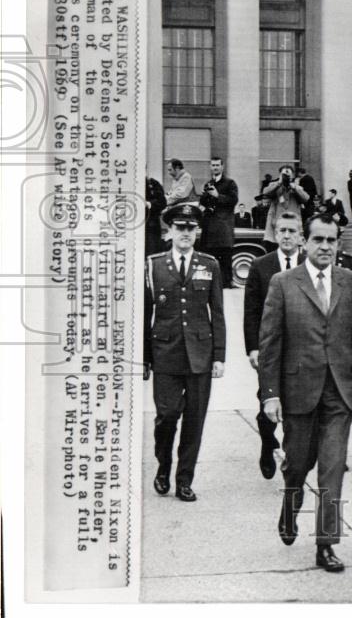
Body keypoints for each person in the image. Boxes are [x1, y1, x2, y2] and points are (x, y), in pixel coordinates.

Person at [258, 213, 352, 573]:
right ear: (305, 242)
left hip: (340, 392)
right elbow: (270, 342)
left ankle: (326, 544)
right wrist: (270, 394)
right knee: (297, 464)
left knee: (332, 469)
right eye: (318, 240)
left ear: (339, 244)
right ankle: (291, 503)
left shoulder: (351, 281)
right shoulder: (282, 282)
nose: (325, 247)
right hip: (298, 391)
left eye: (331, 240)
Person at [143, 203, 226, 503]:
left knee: (194, 420)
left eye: (191, 229)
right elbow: (145, 314)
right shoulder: (153, 265)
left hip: (200, 355)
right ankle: (163, 465)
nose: (186, 234)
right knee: (166, 416)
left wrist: (219, 356)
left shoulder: (210, 265)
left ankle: (184, 479)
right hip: (165, 353)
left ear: (198, 232)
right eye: (180, 228)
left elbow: (217, 312)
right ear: (169, 231)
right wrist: (144, 359)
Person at [243, 212, 305, 479]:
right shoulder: (261, 265)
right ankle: (268, 443)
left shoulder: (309, 264)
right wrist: (253, 348)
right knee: (266, 401)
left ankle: (292, 457)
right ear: (275, 234)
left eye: (292, 231)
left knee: (297, 406)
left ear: (301, 235)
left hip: (302, 348)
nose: (287, 236)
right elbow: (252, 310)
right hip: (270, 347)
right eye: (282, 231)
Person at [198, 156, 239, 288]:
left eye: (217, 165)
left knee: (225, 256)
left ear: (222, 167)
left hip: (223, 226)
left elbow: (233, 200)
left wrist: (217, 196)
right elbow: (204, 201)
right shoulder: (208, 183)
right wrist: (205, 196)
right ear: (210, 167)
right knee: (209, 256)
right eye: (213, 165)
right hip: (209, 226)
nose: (215, 167)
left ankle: (227, 283)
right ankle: (211, 283)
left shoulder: (230, 183)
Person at [261, 164, 310, 252]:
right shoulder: (274, 185)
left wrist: (294, 188)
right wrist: (278, 183)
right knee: (274, 250)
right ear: (280, 175)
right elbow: (265, 193)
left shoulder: (297, 188)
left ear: (293, 175)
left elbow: (306, 199)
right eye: (284, 174)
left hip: (293, 223)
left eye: (288, 174)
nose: (286, 176)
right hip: (276, 224)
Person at [145, 175, 167, 255]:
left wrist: (149, 204)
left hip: (151, 225)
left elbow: (162, 202)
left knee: (151, 251)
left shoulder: (153, 184)